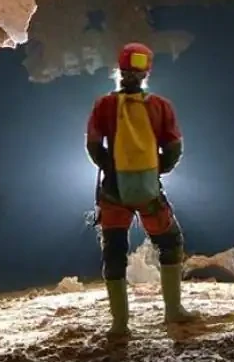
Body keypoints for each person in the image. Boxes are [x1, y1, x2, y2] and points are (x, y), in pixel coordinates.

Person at [85, 42, 198, 338]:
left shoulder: (103, 105)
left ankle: (120, 325)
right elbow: (174, 147)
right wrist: (156, 170)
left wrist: (112, 169)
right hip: (148, 191)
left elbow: (94, 145)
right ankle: (173, 310)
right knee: (170, 242)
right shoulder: (161, 106)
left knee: (114, 252)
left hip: (112, 193)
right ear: (147, 71)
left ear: (119, 71)